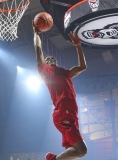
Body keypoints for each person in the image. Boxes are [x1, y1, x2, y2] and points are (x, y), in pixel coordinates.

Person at [33, 24, 88, 160]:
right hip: (64, 113)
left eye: (52, 58)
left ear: (56, 61)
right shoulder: (45, 72)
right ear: (45, 63)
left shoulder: (66, 73)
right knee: (82, 151)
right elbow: (38, 51)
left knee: (72, 152)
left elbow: (82, 66)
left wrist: (78, 46)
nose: (50, 58)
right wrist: (36, 34)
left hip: (71, 114)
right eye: (47, 59)